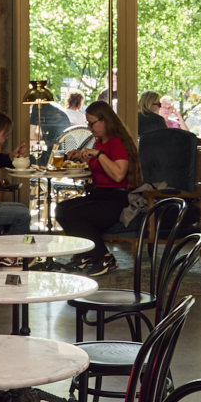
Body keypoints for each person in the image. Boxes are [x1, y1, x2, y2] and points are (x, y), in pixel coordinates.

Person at [54, 100, 139, 273]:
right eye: (88, 123)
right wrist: (81, 156)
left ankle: (105, 258)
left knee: (74, 214)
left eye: (92, 123)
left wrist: (98, 154)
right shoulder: (100, 142)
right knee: (61, 209)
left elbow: (118, 174)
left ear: (105, 121)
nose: (89, 128)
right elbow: (100, 166)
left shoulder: (117, 143)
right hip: (100, 195)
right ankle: (86, 254)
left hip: (117, 199)